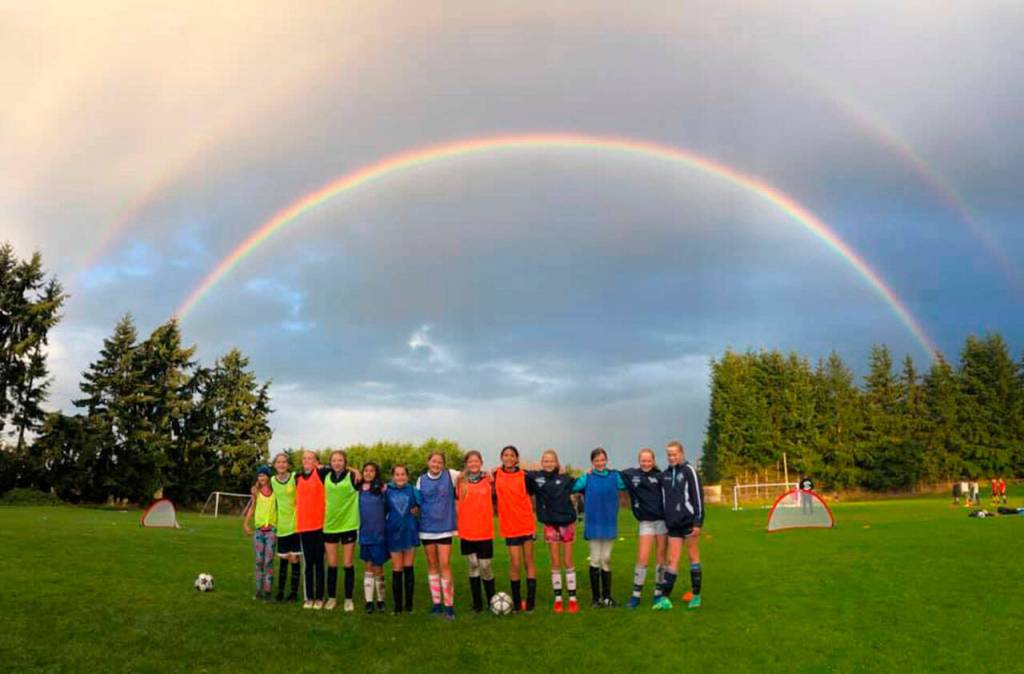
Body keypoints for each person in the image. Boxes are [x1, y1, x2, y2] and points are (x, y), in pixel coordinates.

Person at [654, 440, 704, 611]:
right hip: (673, 524)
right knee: (671, 560)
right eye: (669, 454)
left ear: (681, 453)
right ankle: (665, 599)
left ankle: (696, 595)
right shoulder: (665, 475)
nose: (672, 457)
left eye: (674, 454)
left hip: (689, 522)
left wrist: (698, 521)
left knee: (692, 556)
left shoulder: (689, 470)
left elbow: (698, 496)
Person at [573, 447, 625, 608]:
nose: (600, 463)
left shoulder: (615, 476)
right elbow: (573, 487)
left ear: (606, 460)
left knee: (606, 559)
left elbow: (630, 484)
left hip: (609, 522)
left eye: (602, 459)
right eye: (597, 460)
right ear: (592, 462)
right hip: (593, 523)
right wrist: (583, 475)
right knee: (595, 558)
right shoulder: (587, 478)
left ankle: (607, 597)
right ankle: (596, 599)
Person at [529, 449, 579, 613]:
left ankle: (572, 598)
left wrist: (591, 473)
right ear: (542, 463)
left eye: (552, 461)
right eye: (546, 461)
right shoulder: (535, 478)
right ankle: (558, 599)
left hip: (567, 524)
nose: (549, 463)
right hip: (550, 525)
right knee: (555, 562)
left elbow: (582, 484)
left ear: (557, 463)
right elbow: (516, 475)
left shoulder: (566, 479)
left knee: (568, 561)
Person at [493, 445, 538, 613]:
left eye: (512, 455)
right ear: (502, 457)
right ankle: (518, 603)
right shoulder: (495, 474)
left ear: (517, 458)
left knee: (529, 562)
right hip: (510, 526)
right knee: (515, 563)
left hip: (526, 524)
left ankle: (531, 602)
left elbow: (536, 492)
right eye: (506, 455)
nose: (509, 458)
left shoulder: (525, 476)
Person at [621, 448, 667, 609]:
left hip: (662, 522)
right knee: (642, 558)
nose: (646, 463)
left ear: (653, 461)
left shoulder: (661, 476)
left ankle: (658, 593)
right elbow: (614, 475)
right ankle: (636, 595)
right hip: (645, 522)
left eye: (649, 460)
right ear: (639, 461)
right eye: (643, 460)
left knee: (661, 558)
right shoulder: (632, 475)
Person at [417, 451, 459, 619]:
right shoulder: (421, 479)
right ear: (428, 462)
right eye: (433, 461)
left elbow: (470, 472)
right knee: (432, 564)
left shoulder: (451, 475)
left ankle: (449, 606)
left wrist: (492, 472)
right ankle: (436, 604)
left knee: (445, 564)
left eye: (440, 462)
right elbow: (418, 502)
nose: (436, 465)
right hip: (427, 528)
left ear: (443, 464)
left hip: (445, 527)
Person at [456, 450, 497, 614]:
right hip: (467, 531)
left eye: (476, 461)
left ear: (481, 462)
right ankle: (477, 604)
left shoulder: (489, 478)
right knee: (473, 566)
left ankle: (493, 601)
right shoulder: (460, 481)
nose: (473, 464)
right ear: (467, 463)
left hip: (485, 531)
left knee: (486, 567)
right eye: (470, 461)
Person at [323, 450, 360, 611]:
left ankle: (348, 599)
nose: (337, 463)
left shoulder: (353, 477)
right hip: (330, 525)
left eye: (340, 460)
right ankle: (331, 598)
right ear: (330, 462)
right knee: (331, 564)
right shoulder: (324, 475)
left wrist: (355, 470)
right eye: (334, 460)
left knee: (347, 563)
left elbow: (371, 478)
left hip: (349, 525)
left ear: (345, 462)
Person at [294, 450, 330, 609]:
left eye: (310, 458)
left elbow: (340, 467)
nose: (307, 460)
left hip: (320, 526)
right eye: (304, 458)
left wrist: (356, 471)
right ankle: (309, 597)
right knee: (308, 564)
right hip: (304, 527)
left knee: (319, 563)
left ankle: (320, 597)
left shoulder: (322, 473)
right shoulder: (297, 477)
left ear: (316, 461)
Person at [385, 464, 420, 614]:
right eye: (397, 474)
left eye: (403, 474)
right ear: (393, 477)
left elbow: (420, 507)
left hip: (410, 532)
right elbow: (382, 510)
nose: (400, 477)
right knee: (397, 568)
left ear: (407, 476)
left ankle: (409, 606)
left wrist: (417, 510)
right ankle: (398, 606)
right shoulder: (387, 491)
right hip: (393, 533)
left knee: (408, 568)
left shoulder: (413, 490)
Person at [270, 452, 302, 602]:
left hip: (296, 525)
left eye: (284, 462)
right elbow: (263, 490)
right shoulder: (272, 481)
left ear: (288, 464)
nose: (281, 464)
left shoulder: (295, 477)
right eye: (278, 462)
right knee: (283, 559)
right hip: (281, 526)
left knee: (294, 558)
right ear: (274, 465)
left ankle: (294, 593)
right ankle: (281, 591)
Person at [358, 462, 389, 614]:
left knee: (378, 567)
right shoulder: (358, 489)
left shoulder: (382, 489)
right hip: (364, 535)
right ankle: (369, 601)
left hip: (379, 534)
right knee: (368, 566)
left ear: (376, 473)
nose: (368, 473)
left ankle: (381, 600)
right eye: (366, 470)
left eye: (372, 471)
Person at [243, 465, 277, 600]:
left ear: (268, 476)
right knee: (259, 561)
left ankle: (268, 591)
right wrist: (245, 523)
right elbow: (252, 508)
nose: (261, 477)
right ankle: (258, 590)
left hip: (271, 531)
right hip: (259, 532)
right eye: (259, 475)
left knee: (268, 561)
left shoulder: (275, 492)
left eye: (263, 475)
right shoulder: (256, 492)